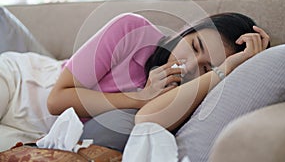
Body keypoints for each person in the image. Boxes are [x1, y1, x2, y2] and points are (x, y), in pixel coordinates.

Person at [0, 12, 269, 151]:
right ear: (187, 29)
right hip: (20, 83)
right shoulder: (131, 30)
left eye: (206, 67)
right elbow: (56, 100)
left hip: (35, 136)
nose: (188, 66)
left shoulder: (188, 97)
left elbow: (147, 121)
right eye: (194, 45)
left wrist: (226, 70)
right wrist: (140, 96)